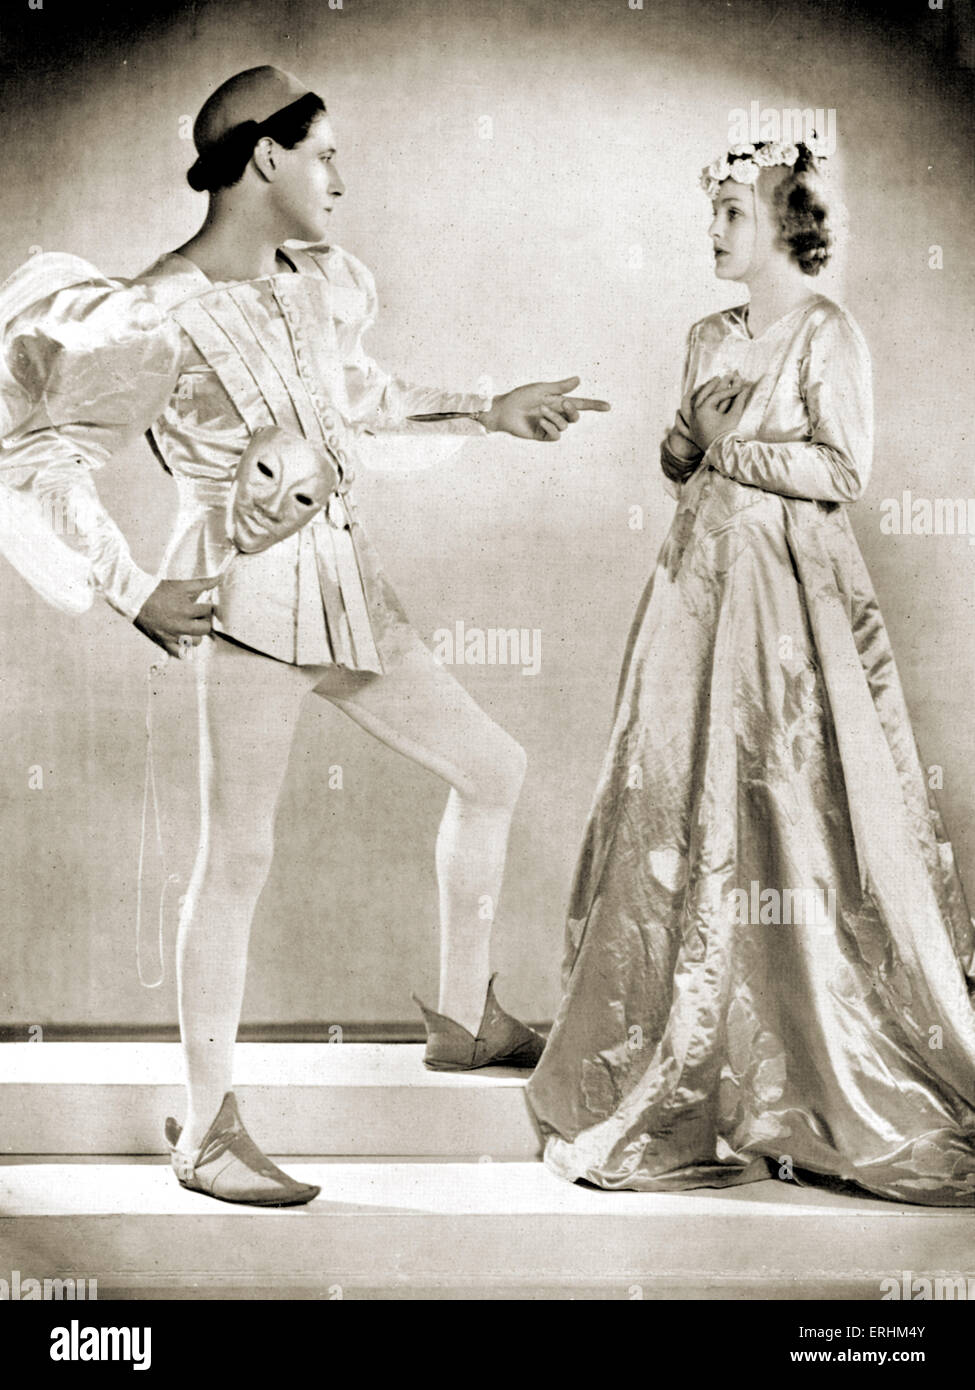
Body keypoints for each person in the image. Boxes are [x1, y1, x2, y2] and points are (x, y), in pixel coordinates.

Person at [0, 66, 610, 1207]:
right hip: (244, 605)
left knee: (494, 767)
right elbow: (42, 456)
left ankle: (465, 1017)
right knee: (237, 858)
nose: (340, 175)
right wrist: (131, 587)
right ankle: (209, 1131)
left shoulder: (313, 285)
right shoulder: (155, 312)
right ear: (265, 157)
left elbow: (360, 400)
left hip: (346, 586)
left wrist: (488, 408)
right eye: (325, 152)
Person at [526, 136, 975, 1206]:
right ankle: (680, 1054)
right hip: (697, 586)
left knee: (790, 799)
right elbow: (681, 456)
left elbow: (845, 469)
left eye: (732, 211)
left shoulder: (827, 331)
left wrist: (729, 447)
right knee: (672, 794)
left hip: (787, 600)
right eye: (713, 211)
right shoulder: (703, 334)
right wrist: (687, 442)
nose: (715, 229)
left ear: (785, 220)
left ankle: (821, 1070)